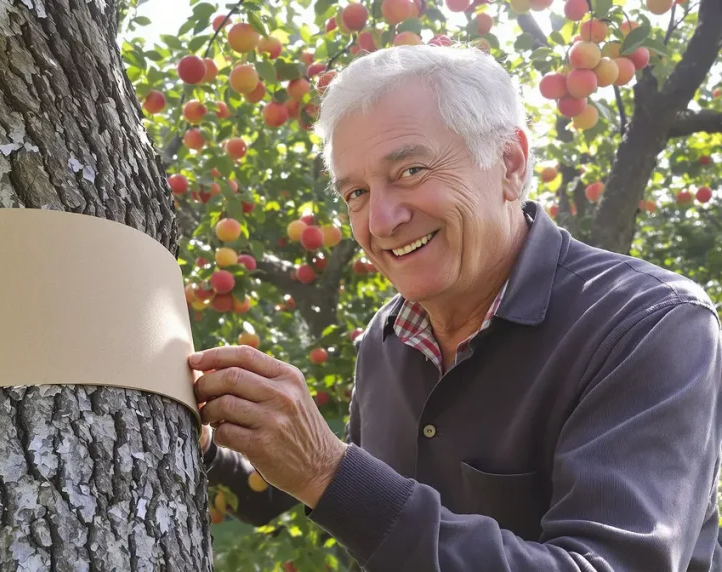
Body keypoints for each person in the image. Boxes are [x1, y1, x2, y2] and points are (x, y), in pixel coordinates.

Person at [191, 44, 722, 571]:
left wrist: (328, 472)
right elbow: (327, 497)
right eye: (354, 192)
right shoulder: (388, 339)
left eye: (411, 171)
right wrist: (213, 441)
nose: (380, 220)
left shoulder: (649, 325)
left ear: (509, 165)